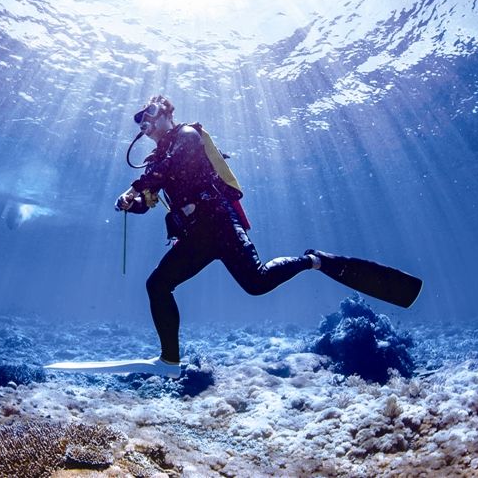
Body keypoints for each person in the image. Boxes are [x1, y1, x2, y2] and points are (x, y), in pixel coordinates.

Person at [115, 95, 327, 377]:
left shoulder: (188, 135)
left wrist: (133, 188)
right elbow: (149, 200)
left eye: (151, 112)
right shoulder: (154, 163)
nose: (146, 121)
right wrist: (133, 204)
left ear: (167, 114)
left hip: (220, 223)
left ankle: (310, 260)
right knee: (157, 285)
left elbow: (168, 167)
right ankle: (169, 359)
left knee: (257, 283)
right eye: (141, 118)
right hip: (195, 237)